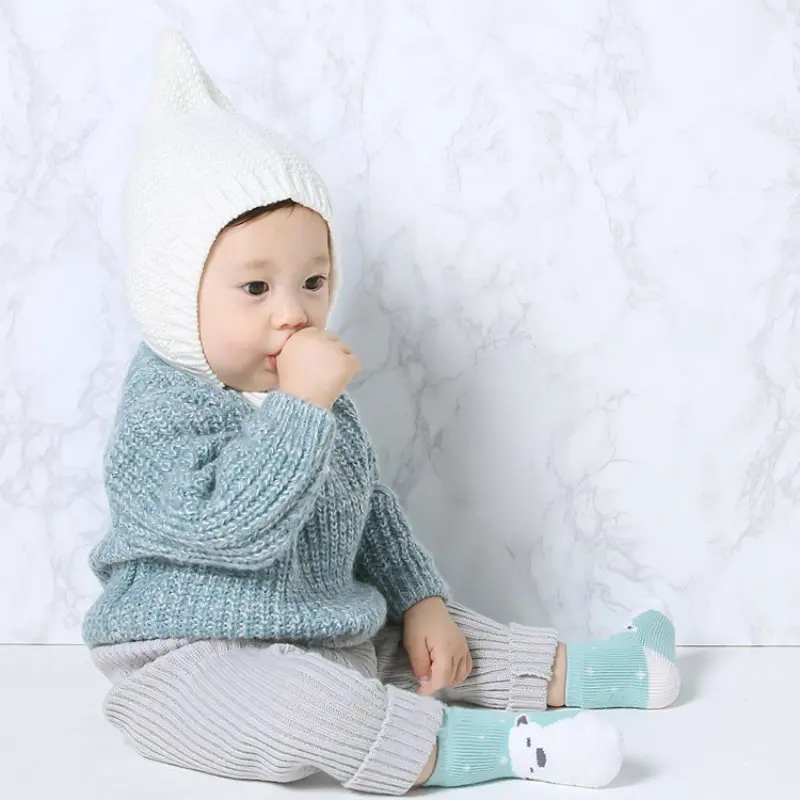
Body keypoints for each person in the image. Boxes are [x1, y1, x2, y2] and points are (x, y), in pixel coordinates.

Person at [84, 30, 680, 795]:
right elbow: (230, 528)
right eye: (256, 289)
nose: (294, 313)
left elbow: (367, 508)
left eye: (313, 281)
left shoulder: (310, 392)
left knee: (439, 639)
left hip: (319, 629)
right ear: (174, 297)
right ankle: (506, 749)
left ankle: (609, 670)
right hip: (189, 662)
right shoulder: (163, 412)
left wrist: (420, 599)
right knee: (309, 709)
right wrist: (302, 406)